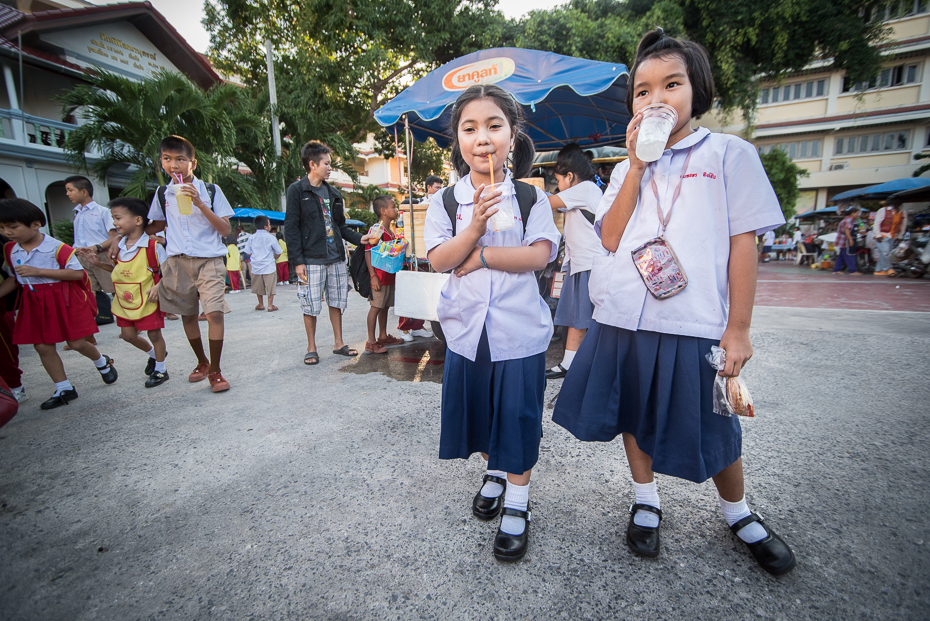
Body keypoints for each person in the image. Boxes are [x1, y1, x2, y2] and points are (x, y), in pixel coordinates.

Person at [551, 29, 796, 576]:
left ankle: (738, 512)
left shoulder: (730, 153)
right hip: (624, 316)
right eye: (642, 90)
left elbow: (743, 244)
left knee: (716, 422)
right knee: (633, 409)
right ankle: (646, 499)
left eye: (672, 84)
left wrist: (739, 329)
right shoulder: (622, 169)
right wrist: (637, 166)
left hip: (693, 318)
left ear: (697, 91)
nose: (656, 98)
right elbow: (609, 237)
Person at [424, 84, 561, 562]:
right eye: (470, 128)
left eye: (493, 126)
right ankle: (495, 473)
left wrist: (480, 255)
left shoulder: (529, 197)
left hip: (519, 330)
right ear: (457, 141)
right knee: (482, 415)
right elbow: (440, 260)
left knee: (519, 419)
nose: (482, 138)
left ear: (511, 134)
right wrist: (475, 228)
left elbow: (540, 255)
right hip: (466, 332)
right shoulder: (444, 201)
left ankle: (518, 504)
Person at [0, 199, 118, 409]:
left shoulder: (57, 248)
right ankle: (64, 388)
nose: (7, 232)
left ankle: (102, 362)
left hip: (62, 299)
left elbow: (76, 274)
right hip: (34, 301)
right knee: (42, 346)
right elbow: (14, 278)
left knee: (76, 342)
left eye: (13, 227)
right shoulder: (10, 250)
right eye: (2, 227)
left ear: (36, 224)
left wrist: (39, 272)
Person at [145, 135, 234, 393]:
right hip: (177, 262)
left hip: (209, 260)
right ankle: (202, 361)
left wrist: (199, 203)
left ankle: (215, 371)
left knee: (215, 313)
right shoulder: (163, 193)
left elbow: (225, 229)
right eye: (167, 159)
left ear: (192, 163)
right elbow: (156, 225)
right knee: (187, 315)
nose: (174, 165)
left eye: (180, 159)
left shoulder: (211, 190)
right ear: (161, 162)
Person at [284, 141, 364, 366]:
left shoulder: (334, 193)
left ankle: (339, 344)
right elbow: (291, 228)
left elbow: (341, 226)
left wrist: (360, 239)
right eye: (326, 164)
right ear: (312, 164)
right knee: (309, 304)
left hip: (336, 258)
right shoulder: (297, 190)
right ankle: (312, 348)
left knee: (337, 301)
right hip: (311, 259)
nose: (330, 168)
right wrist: (297, 261)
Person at [81, 198, 169, 387]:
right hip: (125, 300)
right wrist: (98, 264)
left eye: (118, 218)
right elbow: (117, 271)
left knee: (155, 335)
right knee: (128, 336)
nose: (114, 223)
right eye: (114, 218)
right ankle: (155, 356)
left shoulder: (153, 247)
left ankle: (161, 370)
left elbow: (169, 272)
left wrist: (158, 287)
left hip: (148, 299)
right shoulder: (118, 247)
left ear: (138, 220)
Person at [544, 144, 608, 380]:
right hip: (579, 263)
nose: (558, 186)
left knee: (587, 319)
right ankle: (568, 364)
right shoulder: (584, 193)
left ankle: (592, 367)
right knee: (575, 317)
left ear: (570, 177)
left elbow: (548, 202)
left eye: (559, 180)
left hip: (591, 264)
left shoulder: (587, 189)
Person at [364, 195, 403, 354]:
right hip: (379, 276)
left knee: (385, 306)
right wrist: (373, 276)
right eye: (393, 207)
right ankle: (371, 342)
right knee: (376, 307)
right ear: (383, 211)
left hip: (388, 276)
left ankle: (382, 335)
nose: (396, 210)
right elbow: (368, 253)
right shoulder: (377, 229)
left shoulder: (390, 230)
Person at [0, 232, 24, 402]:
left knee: (3, 347)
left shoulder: (7, 247)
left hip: (2, 301)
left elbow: (13, 276)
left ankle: (14, 387)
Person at [244, 215, 282, 312]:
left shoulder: (251, 238)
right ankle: (270, 305)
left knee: (258, 286)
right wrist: (274, 258)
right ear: (266, 226)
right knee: (270, 286)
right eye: (269, 224)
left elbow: (247, 252)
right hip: (268, 265)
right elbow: (278, 251)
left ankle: (261, 304)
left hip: (256, 266)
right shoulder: (271, 238)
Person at [873, 200, 907, 275]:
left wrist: (900, 236)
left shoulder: (902, 212)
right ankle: (889, 268)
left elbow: (903, 225)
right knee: (885, 253)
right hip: (882, 235)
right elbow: (877, 223)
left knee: (884, 253)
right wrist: (878, 235)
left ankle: (878, 270)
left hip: (893, 236)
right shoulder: (883, 210)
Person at [833, 206, 862, 275]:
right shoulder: (849, 220)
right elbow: (847, 230)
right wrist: (850, 239)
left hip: (843, 240)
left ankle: (836, 269)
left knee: (841, 256)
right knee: (849, 254)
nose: (857, 215)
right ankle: (852, 270)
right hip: (845, 240)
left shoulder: (848, 220)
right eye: (857, 213)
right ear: (852, 213)